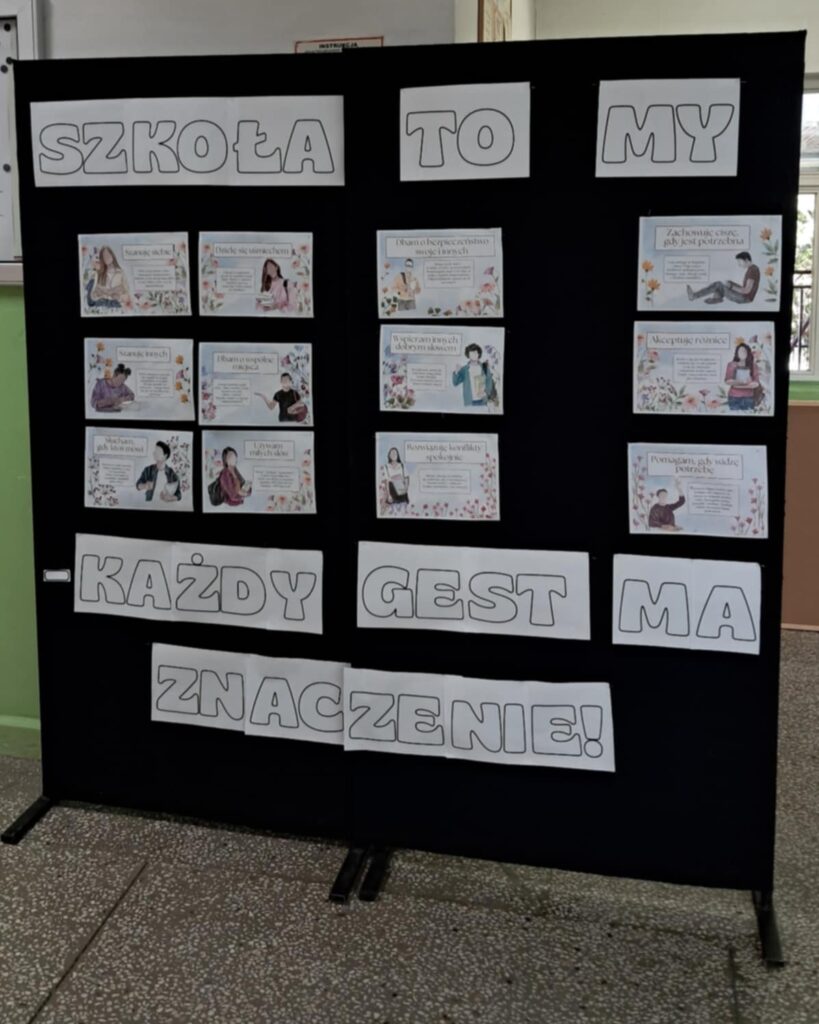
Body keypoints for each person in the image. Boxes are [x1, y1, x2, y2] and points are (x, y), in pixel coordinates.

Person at [686, 252, 760, 305]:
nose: (739, 264)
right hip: (746, 297)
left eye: (740, 262)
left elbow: (746, 291)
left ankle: (694, 296)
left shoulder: (752, 271)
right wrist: (731, 284)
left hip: (745, 298)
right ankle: (717, 298)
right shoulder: (752, 268)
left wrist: (731, 286)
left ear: (746, 260)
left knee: (718, 284)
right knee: (726, 283)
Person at [724, 340, 762, 411]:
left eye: (744, 351)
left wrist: (737, 384)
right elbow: (727, 380)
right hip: (734, 397)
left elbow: (756, 383)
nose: (742, 353)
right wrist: (744, 383)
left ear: (748, 352)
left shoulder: (753, 366)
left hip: (749, 397)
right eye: (740, 351)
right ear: (737, 353)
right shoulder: (731, 365)